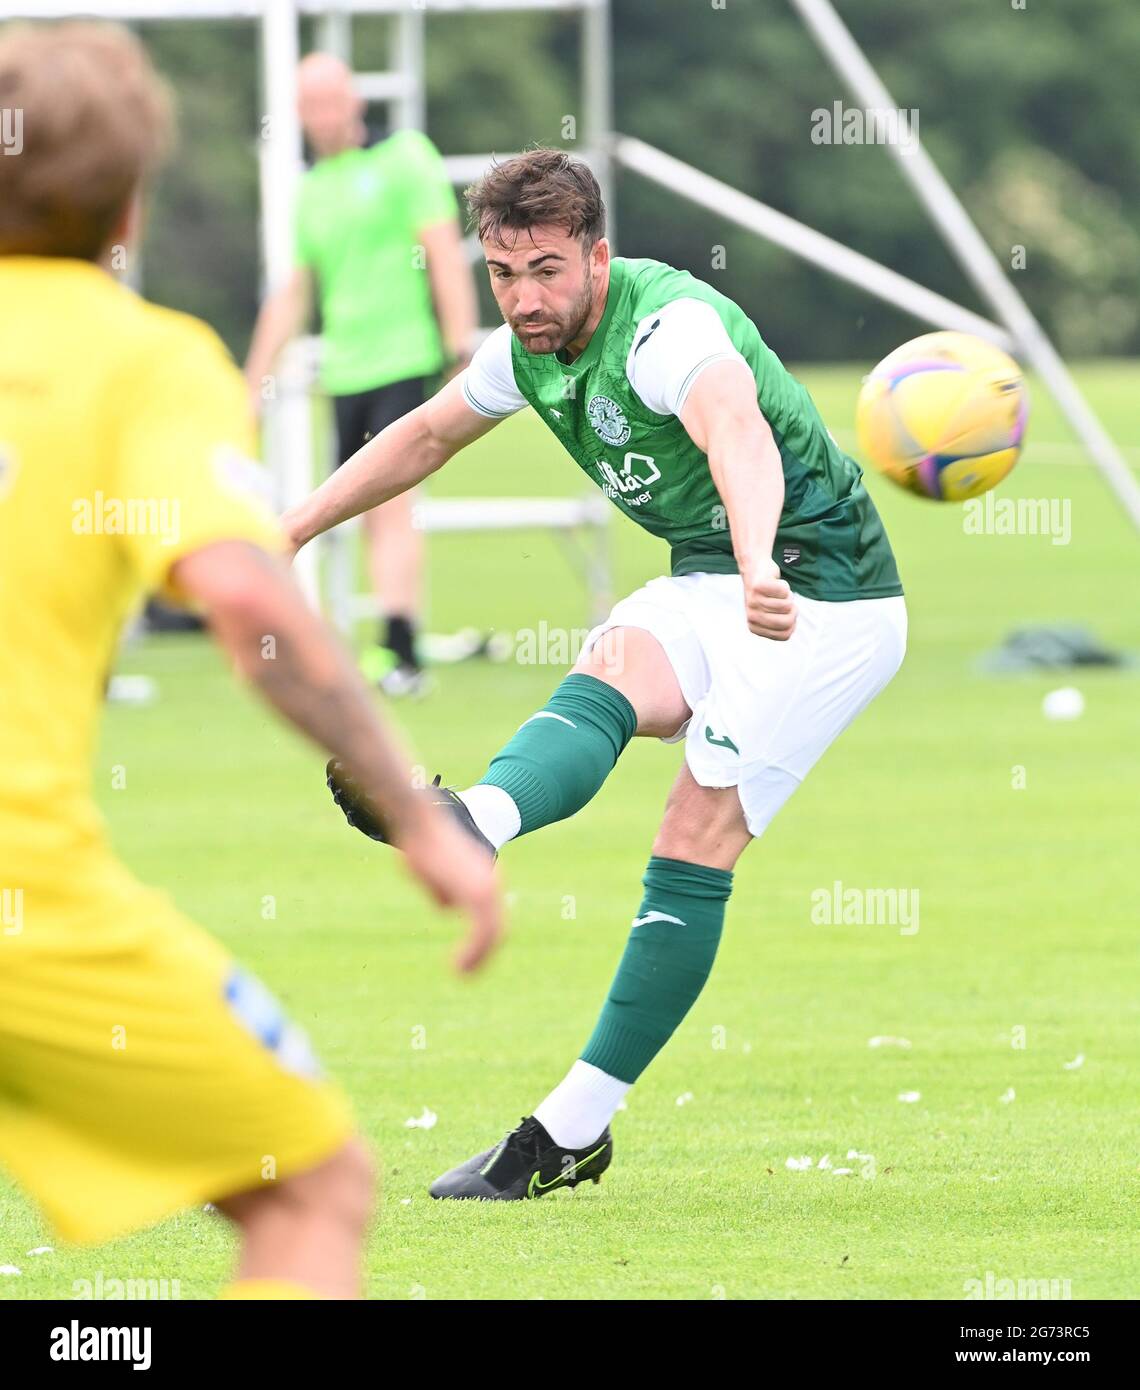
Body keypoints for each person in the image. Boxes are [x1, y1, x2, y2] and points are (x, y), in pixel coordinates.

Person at [281, 147, 907, 1201]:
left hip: (821, 599)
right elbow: (429, 435)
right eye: (503, 273)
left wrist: (758, 560)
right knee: (610, 671)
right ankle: (471, 819)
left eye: (546, 273)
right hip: (716, 576)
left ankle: (571, 1129)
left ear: (599, 258)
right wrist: (291, 526)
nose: (523, 299)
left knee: (693, 832)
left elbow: (737, 434)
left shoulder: (670, 331)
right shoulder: (525, 347)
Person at [0, 20, 500, 1294]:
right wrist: (419, 814)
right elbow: (242, 591)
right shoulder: (142, 360)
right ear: (129, 196)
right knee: (312, 1190)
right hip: (22, 899)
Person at [244, 52, 478, 696]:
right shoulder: (310, 189)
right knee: (349, 507)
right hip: (344, 370)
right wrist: (252, 382)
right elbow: (293, 292)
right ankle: (347, 643)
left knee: (393, 500)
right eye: (308, 105)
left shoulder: (406, 158)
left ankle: (401, 647)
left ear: (355, 99)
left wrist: (461, 343)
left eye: (330, 99)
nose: (322, 115)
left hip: (403, 358)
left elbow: (443, 254)